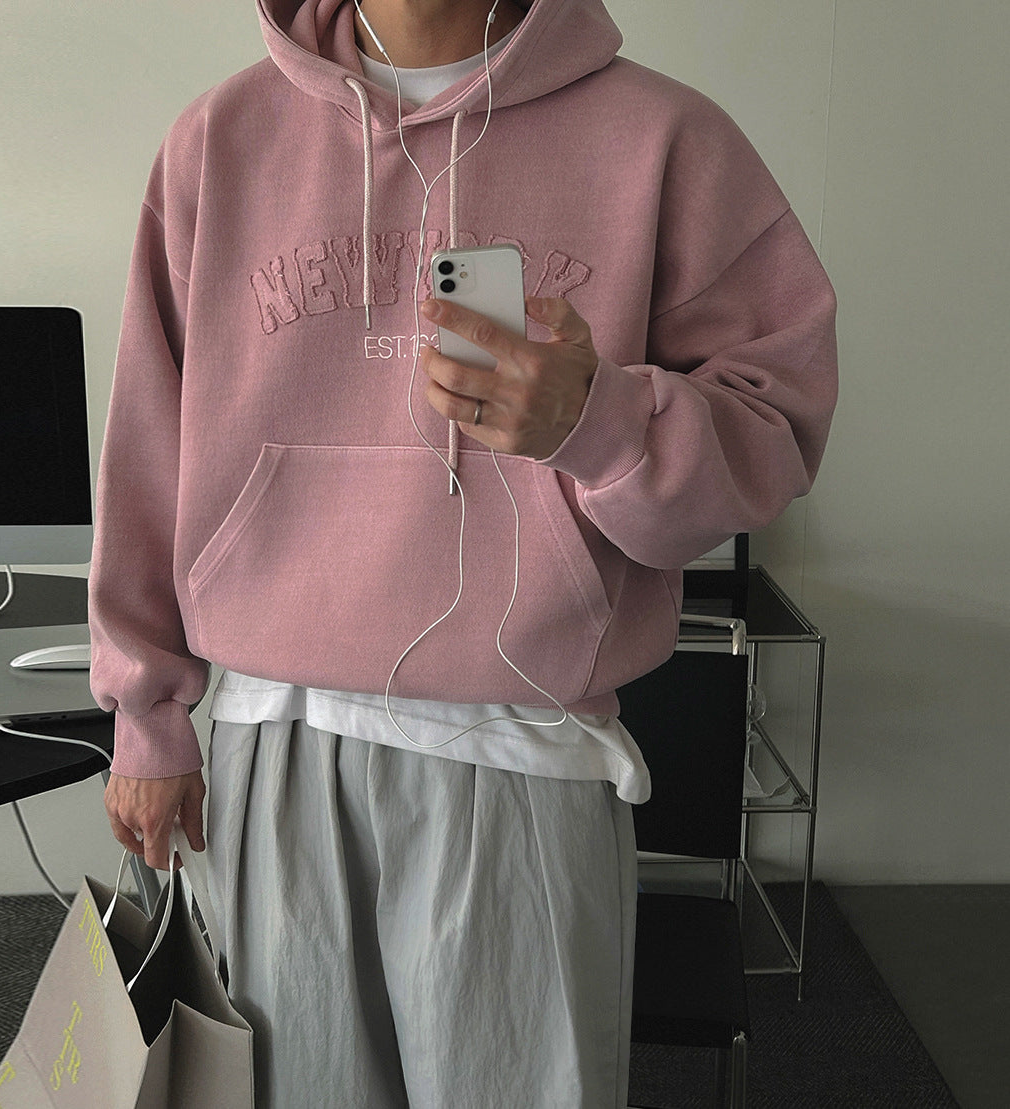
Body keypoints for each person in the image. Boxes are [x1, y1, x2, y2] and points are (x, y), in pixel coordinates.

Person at [89, 0, 838, 1104]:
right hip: (275, 737)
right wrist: (145, 708)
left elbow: (775, 430)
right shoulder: (219, 140)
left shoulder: (663, 140)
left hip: (521, 742)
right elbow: (147, 443)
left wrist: (601, 422)